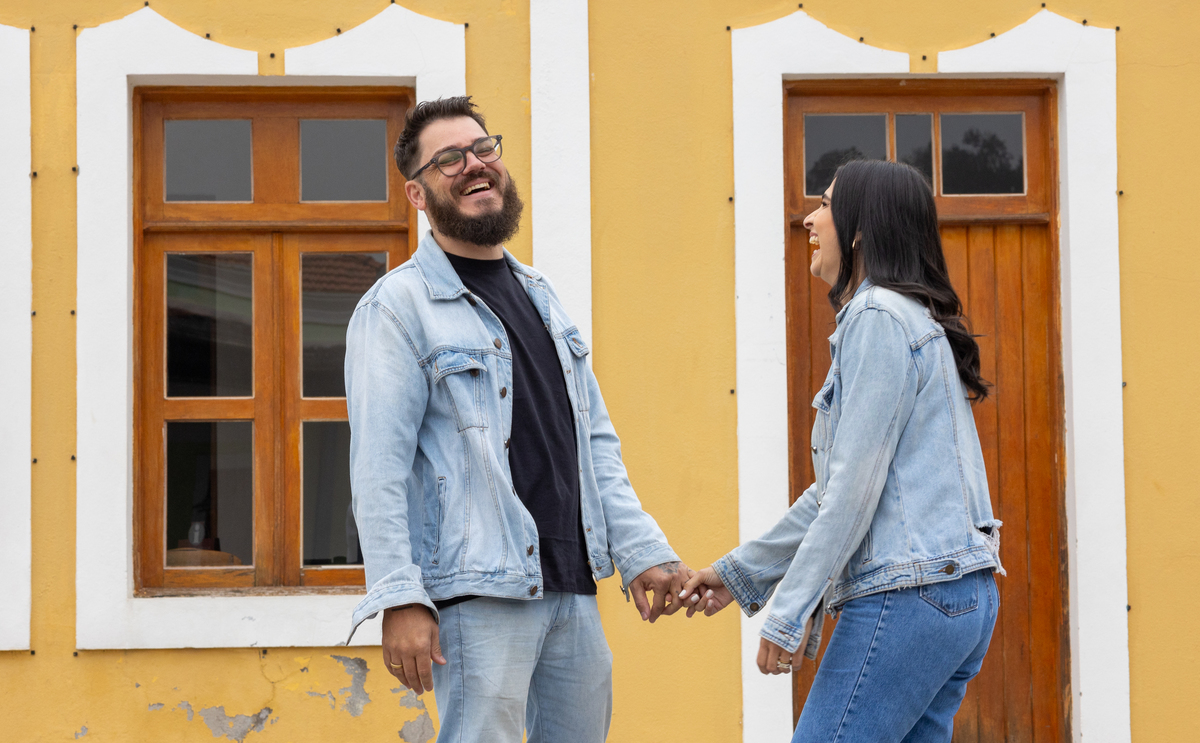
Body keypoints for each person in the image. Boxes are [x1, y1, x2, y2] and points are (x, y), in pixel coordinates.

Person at [344, 96, 691, 743]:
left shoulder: (541, 295)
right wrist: (399, 595)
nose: (474, 165)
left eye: (483, 149)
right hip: (478, 594)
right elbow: (378, 469)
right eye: (449, 159)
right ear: (417, 194)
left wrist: (642, 549)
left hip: (571, 584)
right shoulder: (397, 306)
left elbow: (592, 443)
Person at [681, 159, 1004, 742]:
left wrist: (788, 613)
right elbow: (835, 490)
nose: (809, 219)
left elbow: (851, 491)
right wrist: (739, 575)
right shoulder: (913, 317)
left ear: (859, 229)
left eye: (825, 205)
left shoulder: (877, 316)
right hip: (960, 596)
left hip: (909, 596)